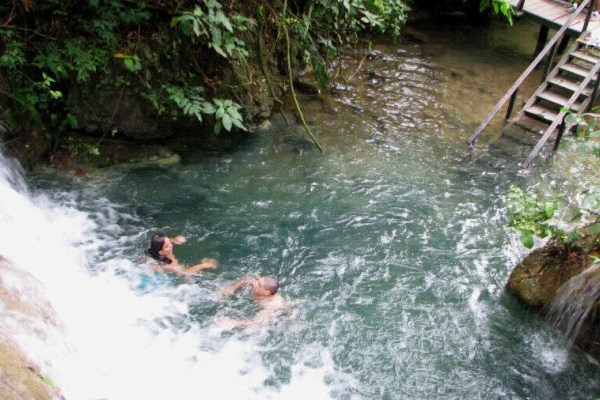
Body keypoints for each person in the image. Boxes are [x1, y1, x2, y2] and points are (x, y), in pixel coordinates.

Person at [220, 276, 289, 329]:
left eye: (259, 285)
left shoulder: (272, 305)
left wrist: (235, 323)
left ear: (267, 292)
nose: (255, 283)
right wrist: (232, 288)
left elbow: (257, 323)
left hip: (284, 315)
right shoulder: (259, 284)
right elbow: (248, 280)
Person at [145, 234, 218, 277]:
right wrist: (203, 265)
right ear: (160, 252)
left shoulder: (154, 246)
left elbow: (155, 242)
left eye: (169, 242)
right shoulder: (166, 265)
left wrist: (173, 240)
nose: (171, 246)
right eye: (167, 246)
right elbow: (186, 273)